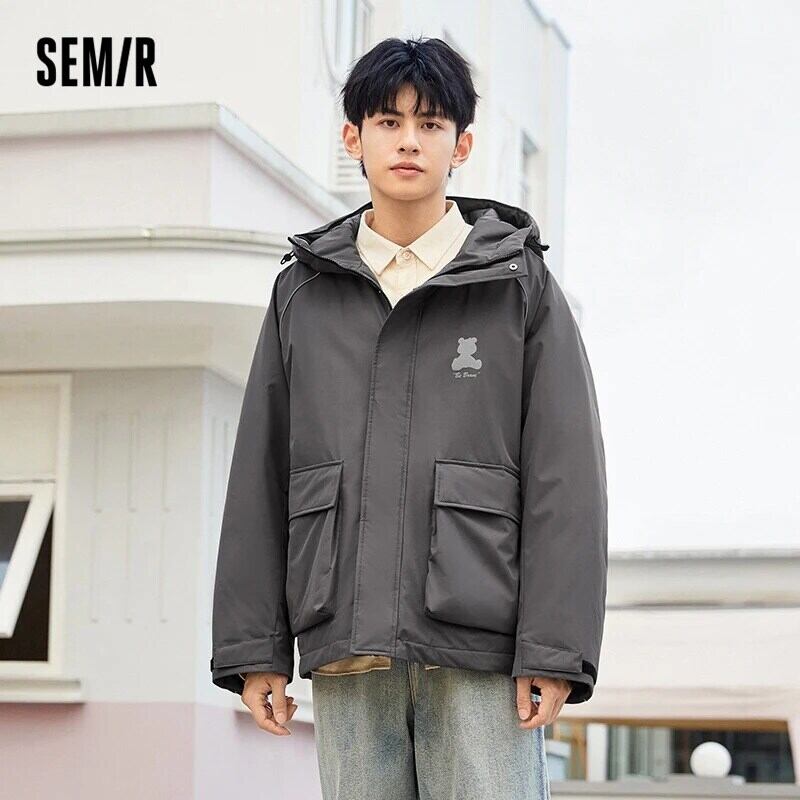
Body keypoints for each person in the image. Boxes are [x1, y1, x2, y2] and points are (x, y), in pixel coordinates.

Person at [210, 35, 608, 800]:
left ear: (462, 145)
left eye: (430, 124)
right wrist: (255, 646)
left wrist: (554, 648)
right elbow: (260, 470)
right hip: (348, 638)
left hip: (483, 650)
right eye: (388, 122)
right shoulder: (303, 292)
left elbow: (567, 476)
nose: (408, 141)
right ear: (352, 137)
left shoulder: (517, 285)